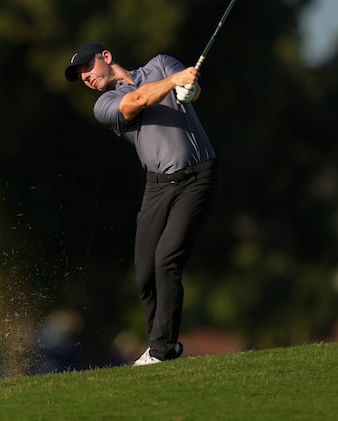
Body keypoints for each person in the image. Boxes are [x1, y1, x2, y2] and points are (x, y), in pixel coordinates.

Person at [64, 43, 222, 365]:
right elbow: (137, 100)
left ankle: (161, 351)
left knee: (167, 260)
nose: (86, 77)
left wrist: (190, 88)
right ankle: (165, 349)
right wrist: (175, 82)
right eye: (80, 76)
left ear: (106, 57)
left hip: (198, 177)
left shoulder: (162, 63)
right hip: (157, 187)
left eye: (87, 68)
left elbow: (191, 88)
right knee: (145, 272)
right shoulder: (105, 105)